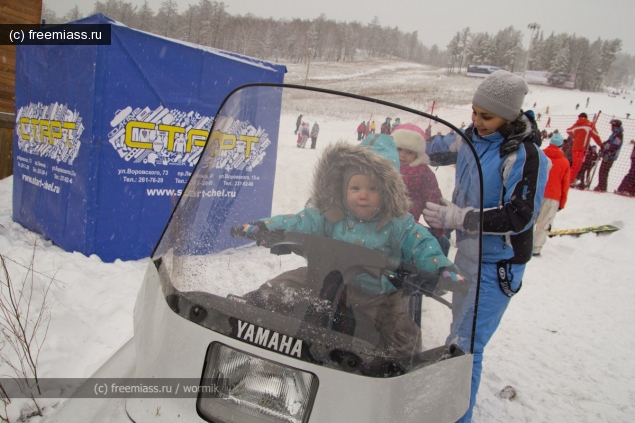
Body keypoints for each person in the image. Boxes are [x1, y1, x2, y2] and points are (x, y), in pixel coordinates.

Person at [237, 136, 461, 357]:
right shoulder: (330, 214)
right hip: (325, 279)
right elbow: (298, 221)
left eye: (373, 188)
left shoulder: (398, 224)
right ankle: (242, 314)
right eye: (355, 187)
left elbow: (421, 243)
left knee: (404, 335)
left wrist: (440, 269)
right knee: (281, 286)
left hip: (377, 295)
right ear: (342, 188)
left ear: (387, 192)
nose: (363, 195)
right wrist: (267, 228)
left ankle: (400, 376)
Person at [422, 70, 549, 423]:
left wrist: (459, 218)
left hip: (498, 266)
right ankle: (448, 400)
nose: (476, 121)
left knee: (466, 347)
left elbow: (519, 215)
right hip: (466, 257)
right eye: (474, 111)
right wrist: (396, 149)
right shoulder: (471, 138)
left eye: (486, 116)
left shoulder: (524, 155)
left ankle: (457, 417)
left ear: (509, 116)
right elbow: (433, 150)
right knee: (457, 337)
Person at [391, 123, 449, 255]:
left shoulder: (423, 173)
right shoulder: (383, 166)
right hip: (386, 220)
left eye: (409, 152)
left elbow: (432, 197)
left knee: (440, 244)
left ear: (417, 155)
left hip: (409, 224)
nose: (402, 155)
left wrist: (437, 222)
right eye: (399, 149)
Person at [533, 133, 570, 256]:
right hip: (552, 196)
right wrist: (562, 203)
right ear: (561, 146)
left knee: (528, 219)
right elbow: (565, 184)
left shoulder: (540, 155)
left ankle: (520, 243)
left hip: (535, 191)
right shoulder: (564, 162)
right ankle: (536, 248)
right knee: (544, 223)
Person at [566, 113, 602, 184]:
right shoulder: (589, 125)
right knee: (576, 166)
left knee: (576, 165)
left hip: (575, 148)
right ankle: (568, 181)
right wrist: (601, 145)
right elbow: (596, 136)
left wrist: (576, 135)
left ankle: (569, 180)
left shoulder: (576, 125)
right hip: (581, 148)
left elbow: (568, 131)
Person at [594, 119, 624, 192]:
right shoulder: (614, 133)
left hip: (610, 156)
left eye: (612, 125)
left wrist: (608, 152)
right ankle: (601, 185)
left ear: (615, 126)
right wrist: (604, 145)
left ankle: (602, 186)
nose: (611, 127)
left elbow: (615, 145)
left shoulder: (619, 134)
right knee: (603, 170)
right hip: (607, 155)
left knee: (604, 170)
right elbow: (609, 142)